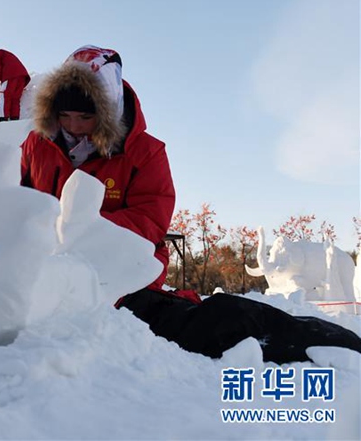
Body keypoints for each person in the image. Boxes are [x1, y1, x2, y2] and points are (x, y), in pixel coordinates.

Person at [20, 45, 361, 364]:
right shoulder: (36, 145)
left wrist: (83, 228)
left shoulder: (146, 153)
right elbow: (15, 200)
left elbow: (150, 219)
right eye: (64, 116)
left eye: (85, 117)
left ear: (108, 111)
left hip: (121, 282)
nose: (73, 127)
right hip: (41, 275)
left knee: (209, 328)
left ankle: (323, 341)